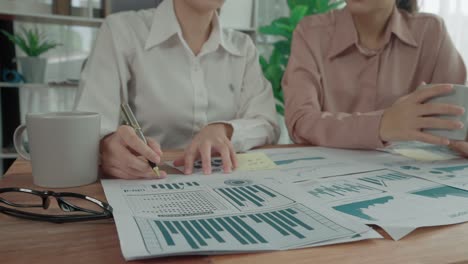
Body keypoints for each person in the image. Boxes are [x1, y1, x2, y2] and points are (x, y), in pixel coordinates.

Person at [74, 0, 279, 179]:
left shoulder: (243, 47)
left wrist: (224, 130)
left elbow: (266, 122)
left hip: (224, 184)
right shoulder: (121, 30)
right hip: (146, 183)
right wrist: (106, 144)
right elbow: (89, 125)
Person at [283, 0, 468, 157]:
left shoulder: (432, 31)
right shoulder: (311, 32)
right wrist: (381, 125)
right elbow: (300, 122)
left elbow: (458, 118)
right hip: (324, 177)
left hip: (409, 176)